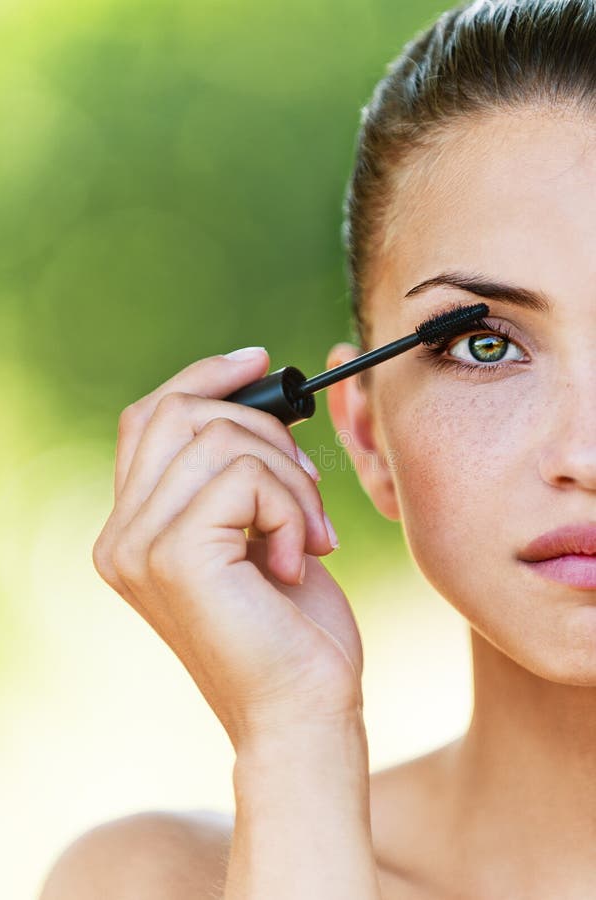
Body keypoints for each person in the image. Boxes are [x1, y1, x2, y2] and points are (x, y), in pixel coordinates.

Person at [39, 0, 596, 897]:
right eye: (483, 345)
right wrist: (295, 737)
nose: (586, 453)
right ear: (368, 439)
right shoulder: (165, 882)